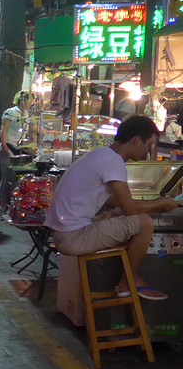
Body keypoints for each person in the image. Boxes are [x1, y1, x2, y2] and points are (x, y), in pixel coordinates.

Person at [46, 116, 180, 300]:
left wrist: (148, 203)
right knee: (144, 223)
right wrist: (159, 203)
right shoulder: (114, 161)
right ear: (136, 140)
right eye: (148, 145)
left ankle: (127, 276)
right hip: (72, 237)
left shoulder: (101, 154)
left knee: (128, 217)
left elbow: (113, 202)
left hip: (63, 232)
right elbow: (130, 210)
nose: (147, 152)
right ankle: (128, 281)